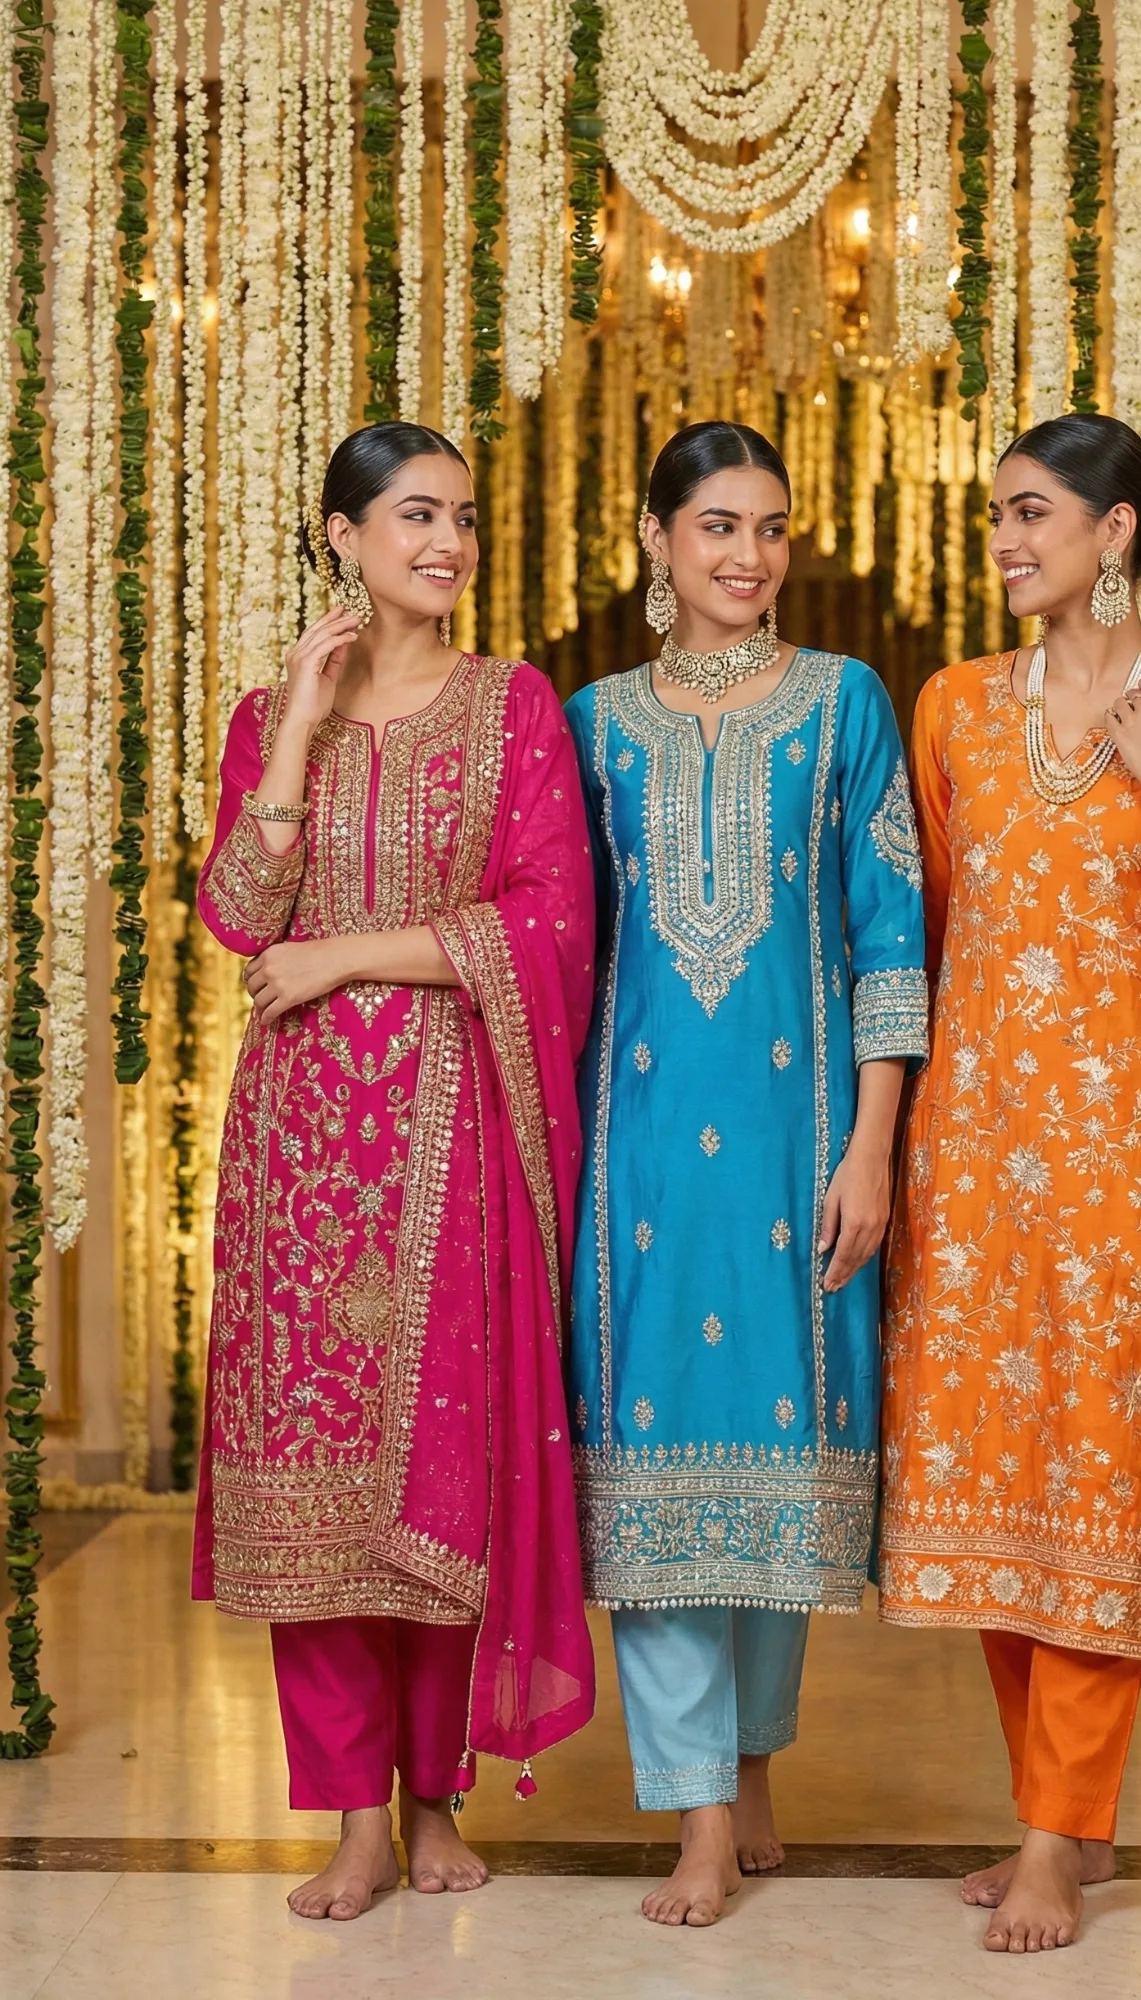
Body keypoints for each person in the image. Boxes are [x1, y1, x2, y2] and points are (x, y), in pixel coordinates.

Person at [192, 422, 595, 1921]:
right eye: (417, 515)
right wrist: (295, 726)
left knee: (443, 1471)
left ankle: (435, 1800)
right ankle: (353, 1817)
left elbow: (552, 921)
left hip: (454, 1131)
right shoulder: (263, 716)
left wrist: (344, 958)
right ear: (343, 536)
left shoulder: (512, 707)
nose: (449, 543)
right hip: (298, 1155)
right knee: (313, 1491)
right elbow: (239, 912)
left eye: (465, 518)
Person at [879, 413, 1141, 1954]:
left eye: (1032, 514)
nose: (1005, 540)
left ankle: (1053, 1838)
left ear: (1117, 534)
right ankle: (1063, 1817)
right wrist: (883, 1134)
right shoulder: (958, 710)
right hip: (972, 1160)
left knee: (1095, 1476)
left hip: (1130, 1170)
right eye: (997, 516)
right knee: (993, 1485)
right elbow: (919, 931)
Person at [565, 421, 928, 1927]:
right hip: (637, 1146)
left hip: (799, 1146)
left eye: (769, 528)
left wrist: (870, 1147)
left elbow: (892, 934)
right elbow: (564, 946)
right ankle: (697, 1817)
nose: (748, 556)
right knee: (653, 1461)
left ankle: (750, 1753)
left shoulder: (845, 706)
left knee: (783, 1459)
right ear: (654, 539)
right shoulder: (585, 723)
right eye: (716, 526)